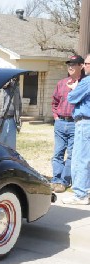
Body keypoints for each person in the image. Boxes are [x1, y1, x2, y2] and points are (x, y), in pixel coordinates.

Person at [50, 55, 85, 193]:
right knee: (58, 153)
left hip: (75, 124)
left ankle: (64, 181)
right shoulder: (62, 83)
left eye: (74, 64)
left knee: (71, 154)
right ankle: (55, 179)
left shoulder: (84, 84)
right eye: (69, 64)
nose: (70, 66)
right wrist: (56, 117)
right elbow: (54, 102)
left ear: (81, 66)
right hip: (60, 123)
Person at [62, 53, 90, 205]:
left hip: (85, 123)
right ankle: (87, 190)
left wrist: (74, 88)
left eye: (87, 64)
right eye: (85, 63)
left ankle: (80, 194)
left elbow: (72, 98)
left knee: (80, 159)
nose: (85, 66)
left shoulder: (87, 81)